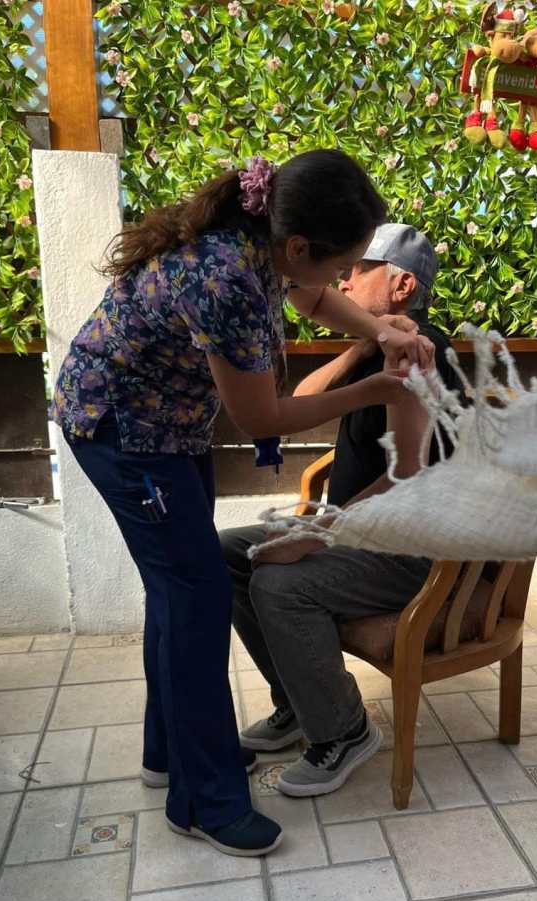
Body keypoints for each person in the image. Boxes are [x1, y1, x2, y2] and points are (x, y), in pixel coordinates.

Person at [51, 152, 433, 857]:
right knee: (194, 601)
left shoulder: (260, 238)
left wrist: (379, 332)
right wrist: (375, 386)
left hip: (166, 428)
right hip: (126, 432)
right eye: (341, 264)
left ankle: (169, 754)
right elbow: (261, 418)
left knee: (179, 592)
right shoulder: (225, 275)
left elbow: (313, 298)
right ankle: (204, 801)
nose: (343, 280)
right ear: (299, 247)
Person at [220, 223, 459, 797]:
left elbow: (411, 477)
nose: (342, 282)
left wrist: (317, 535)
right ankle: (298, 704)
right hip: (359, 533)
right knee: (227, 552)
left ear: (402, 285)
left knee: (278, 583)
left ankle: (346, 731)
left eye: (357, 270)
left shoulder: (424, 355)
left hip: (411, 551)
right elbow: (295, 404)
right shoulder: (383, 346)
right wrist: (364, 343)